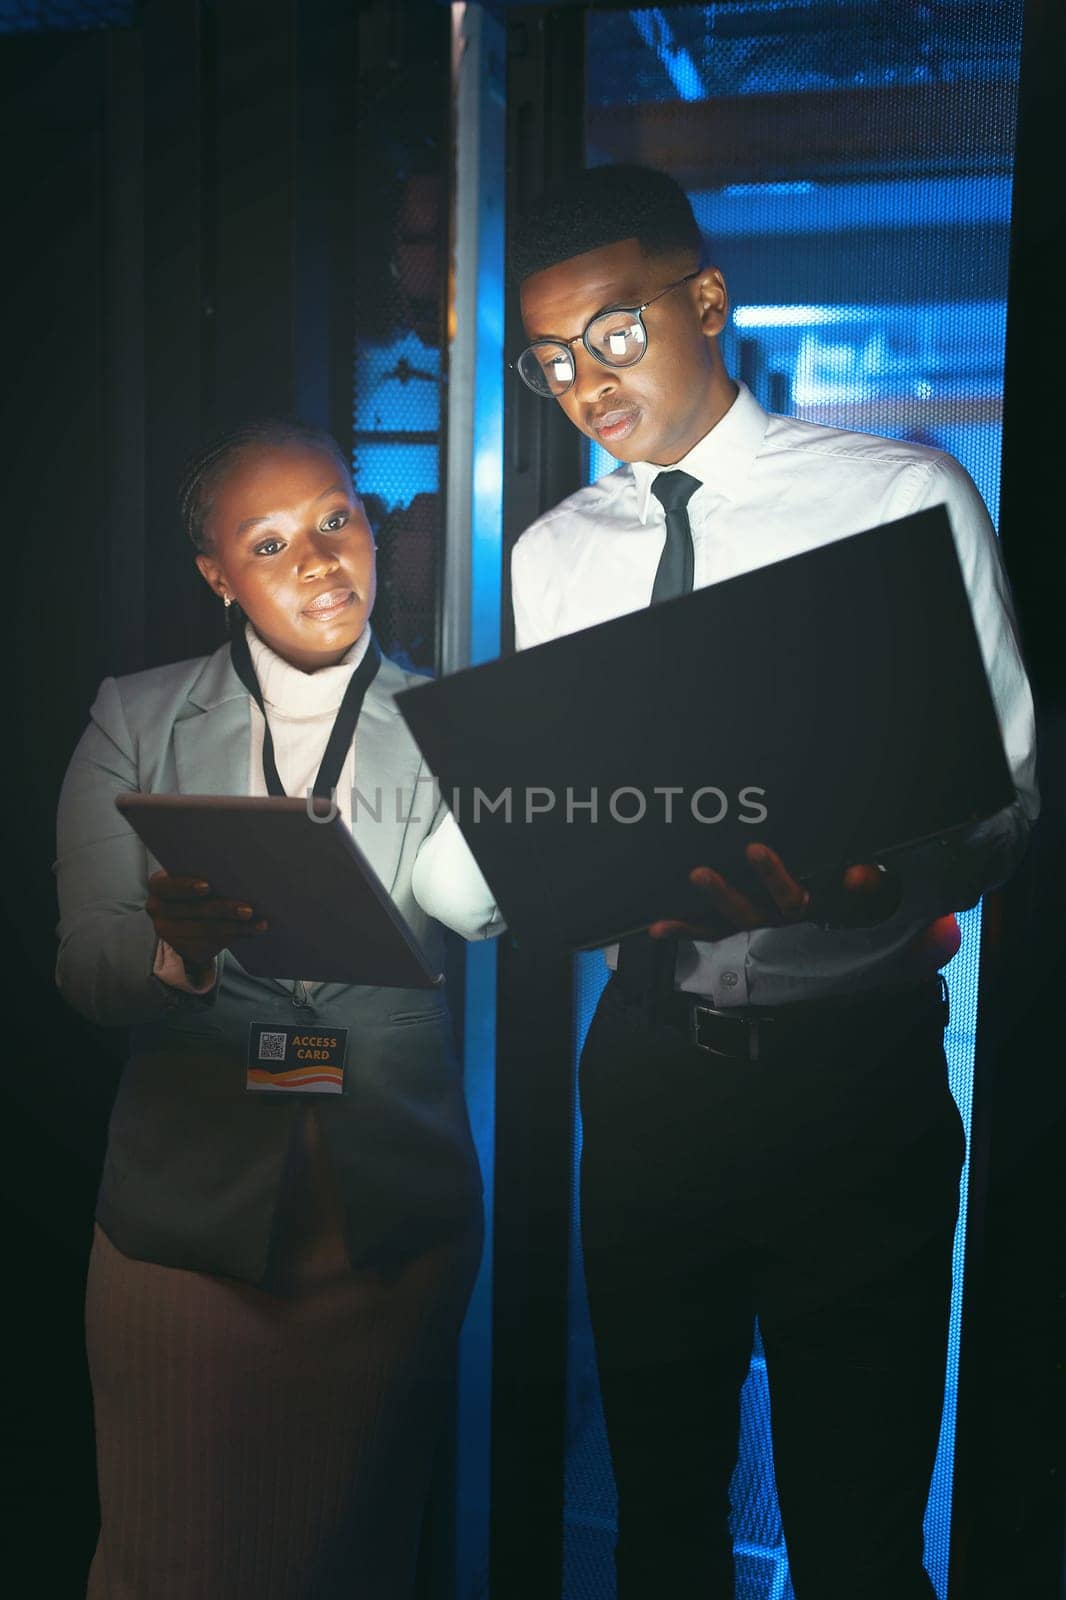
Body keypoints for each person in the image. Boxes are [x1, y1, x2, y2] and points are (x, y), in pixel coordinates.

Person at [509, 165, 1038, 1599]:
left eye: (611, 335)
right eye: (548, 358)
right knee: (658, 1529)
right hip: (642, 1075)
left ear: (704, 301)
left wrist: (860, 880)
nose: (582, 383)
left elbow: (1002, 816)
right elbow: (579, 810)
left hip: (848, 1082)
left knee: (857, 1540)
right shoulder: (549, 557)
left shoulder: (893, 496)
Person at [55, 419, 500, 1599]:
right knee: (167, 1563)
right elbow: (86, 969)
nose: (318, 560)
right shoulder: (135, 720)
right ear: (217, 576)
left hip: (389, 1226)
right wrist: (173, 951)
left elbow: (474, 908)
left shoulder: (455, 723)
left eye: (335, 520)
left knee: (352, 1559)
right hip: (185, 1229)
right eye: (269, 542)